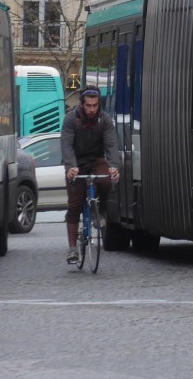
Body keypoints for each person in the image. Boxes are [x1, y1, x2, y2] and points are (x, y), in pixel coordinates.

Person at [60, 87, 121, 265]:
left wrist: (114, 167)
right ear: (82, 104)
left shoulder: (105, 120)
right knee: (74, 205)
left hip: (96, 159)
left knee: (106, 180)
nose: (92, 109)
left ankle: (99, 210)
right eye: (89, 106)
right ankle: (72, 249)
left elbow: (111, 144)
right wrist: (71, 167)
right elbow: (66, 145)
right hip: (76, 162)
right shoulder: (71, 119)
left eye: (95, 105)